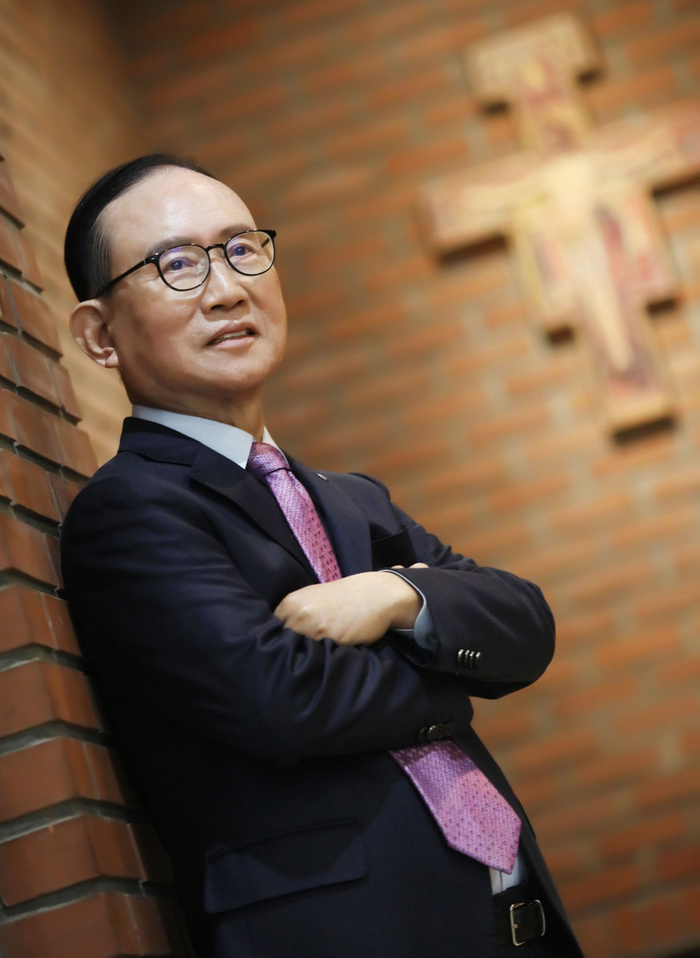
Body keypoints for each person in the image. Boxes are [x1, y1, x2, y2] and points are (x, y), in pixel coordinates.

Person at [61, 153, 584, 958]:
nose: (227, 288)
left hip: (517, 920)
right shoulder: (129, 512)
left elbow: (524, 625)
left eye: (241, 248)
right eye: (178, 264)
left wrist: (395, 596)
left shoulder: (350, 499)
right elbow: (283, 697)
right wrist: (445, 661)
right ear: (100, 336)